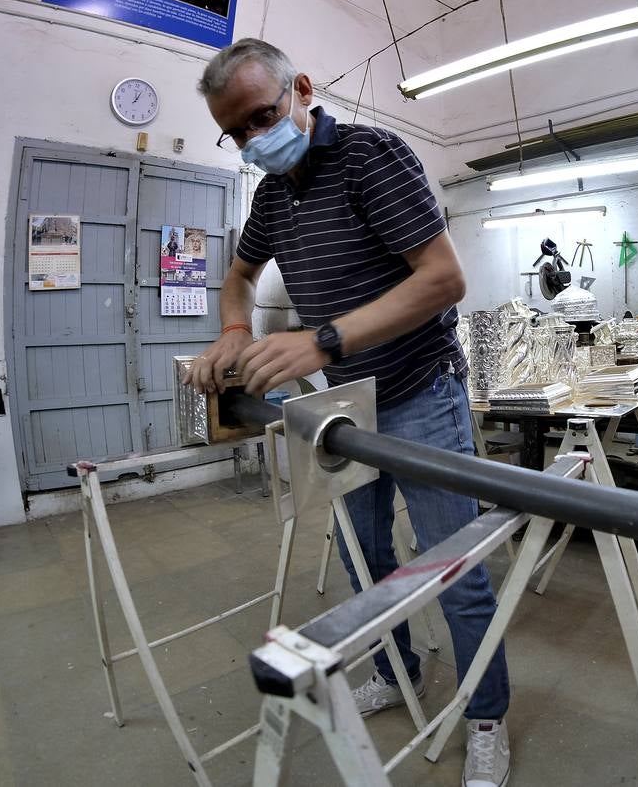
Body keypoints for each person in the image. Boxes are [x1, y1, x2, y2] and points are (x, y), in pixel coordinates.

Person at [185, 38, 512, 787]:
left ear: (301, 89)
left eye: (260, 117)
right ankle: (398, 673)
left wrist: (321, 342)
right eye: (233, 133)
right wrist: (235, 330)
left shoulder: (372, 157)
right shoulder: (271, 198)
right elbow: (237, 276)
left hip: (420, 393)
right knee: (366, 562)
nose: (249, 140)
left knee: (453, 571)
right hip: (345, 408)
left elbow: (443, 280)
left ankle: (486, 715)